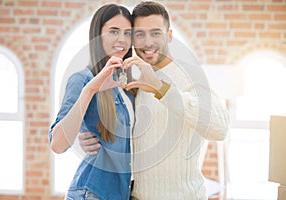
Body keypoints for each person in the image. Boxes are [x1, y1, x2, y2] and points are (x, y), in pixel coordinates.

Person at [80, 1, 230, 200]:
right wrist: (88, 136)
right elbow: (130, 134)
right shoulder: (132, 76)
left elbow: (220, 129)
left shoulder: (190, 73)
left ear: (169, 35)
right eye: (140, 34)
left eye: (156, 33)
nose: (148, 42)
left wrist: (161, 88)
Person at [48, 4, 136, 200]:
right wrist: (91, 90)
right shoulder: (82, 80)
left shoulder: (129, 85)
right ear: (98, 34)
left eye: (127, 33)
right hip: (92, 192)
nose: (122, 39)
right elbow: (58, 144)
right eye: (113, 31)